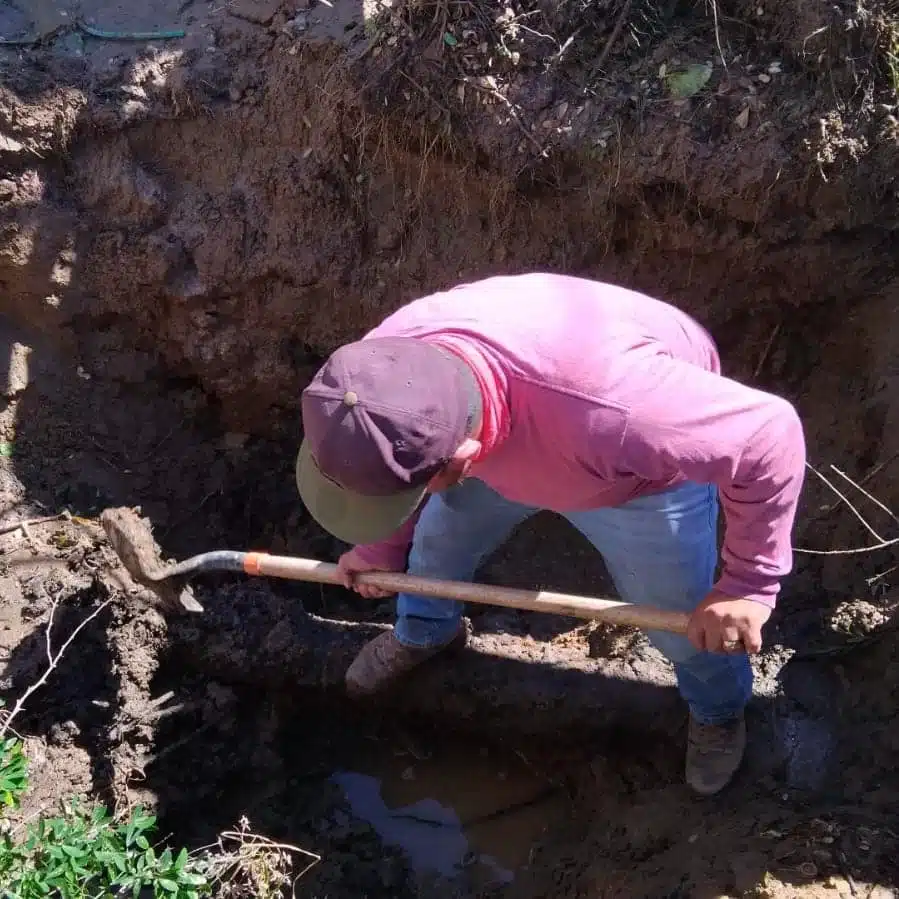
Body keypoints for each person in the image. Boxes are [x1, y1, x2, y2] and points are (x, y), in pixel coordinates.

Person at [295, 273, 806, 796]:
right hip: (522, 432)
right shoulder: (380, 370)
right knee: (437, 548)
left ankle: (717, 712)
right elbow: (395, 462)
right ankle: (427, 631)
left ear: (462, 457)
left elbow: (770, 434)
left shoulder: (624, 412)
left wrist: (747, 585)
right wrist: (381, 545)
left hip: (631, 481)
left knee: (681, 619)